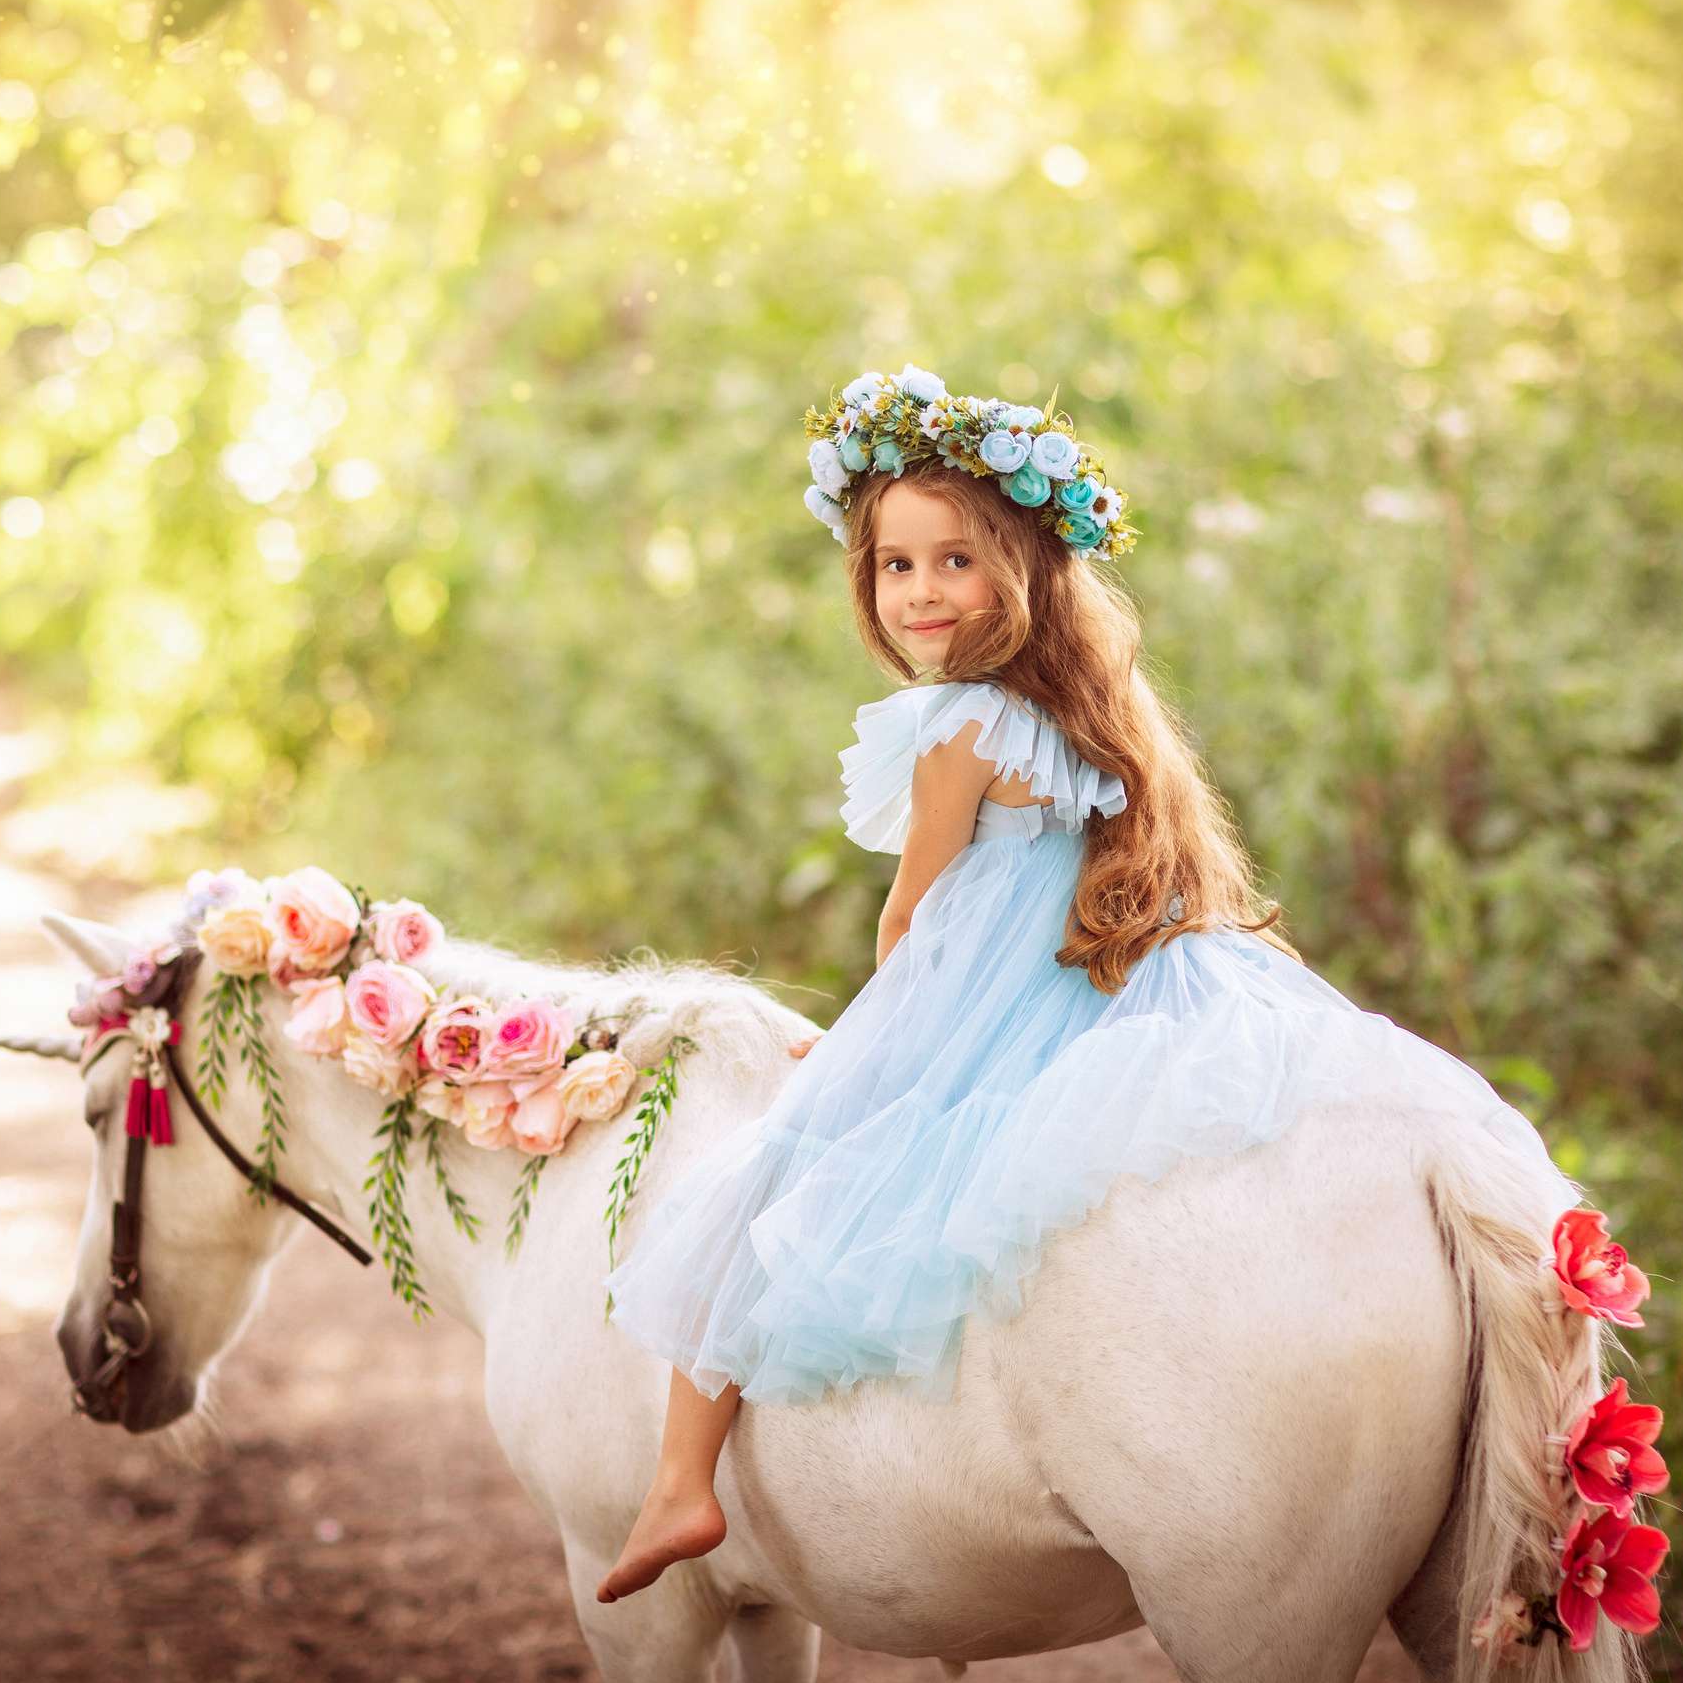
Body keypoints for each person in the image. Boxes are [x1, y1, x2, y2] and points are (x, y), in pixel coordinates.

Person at [596, 367, 1435, 1603]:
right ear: (866, 578)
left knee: (755, 1188)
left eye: (955, 562)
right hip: (1090, 986)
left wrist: (868, 1041)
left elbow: (915, 913)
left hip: (971, 996)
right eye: (896, 565)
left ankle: (678, 1485)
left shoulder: (955, 728)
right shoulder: (1089, 716)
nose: (923, 590)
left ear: (1021, 571)